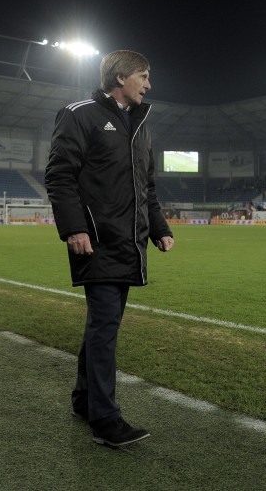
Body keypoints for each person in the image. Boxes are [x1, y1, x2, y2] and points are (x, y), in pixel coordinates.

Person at [45, 50, 174, 447]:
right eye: (143, 76)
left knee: (104, 325)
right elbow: (60, 175)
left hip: (128, 241)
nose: (148, 84)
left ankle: (85, 400)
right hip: (96, 240)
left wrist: (159, 228)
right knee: (104, 329)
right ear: (121, 78)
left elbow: (146, 187)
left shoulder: (140, 125)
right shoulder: (79, 114)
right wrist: (74, 228)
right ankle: (105, 419)